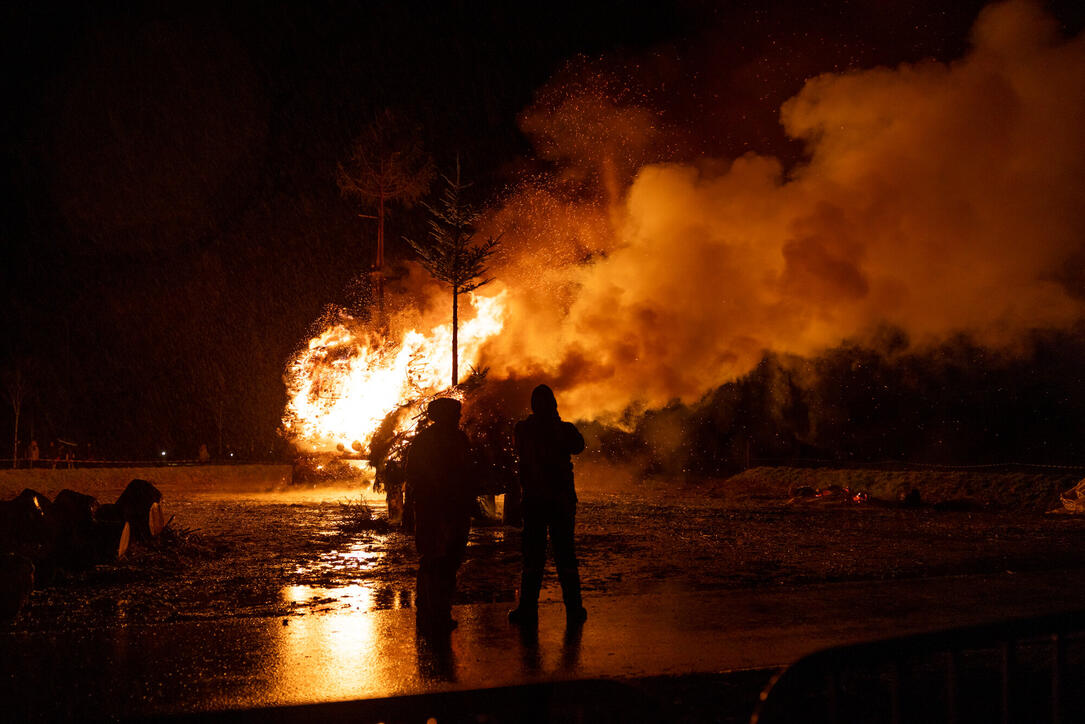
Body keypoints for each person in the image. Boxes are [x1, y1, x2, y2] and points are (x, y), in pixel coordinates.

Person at [508, 384, 587, 627]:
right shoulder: (562, 429)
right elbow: (578, 446)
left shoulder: (523, 429)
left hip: (535, 502)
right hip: (560, 501)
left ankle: (528, 609)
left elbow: (520, 447)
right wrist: (557, 422)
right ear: (554, 405)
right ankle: (573, 608)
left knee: (533, 557)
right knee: (565, 556)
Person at [405, 398, 475, 635]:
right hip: (436, 508)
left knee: (447, 560)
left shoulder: (453, 439)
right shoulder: (433, 441)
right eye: (455, 414)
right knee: (436, 559)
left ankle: (435, 610)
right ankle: (431, 611)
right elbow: (416, 473)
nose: (458, 417)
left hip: (450, 508)